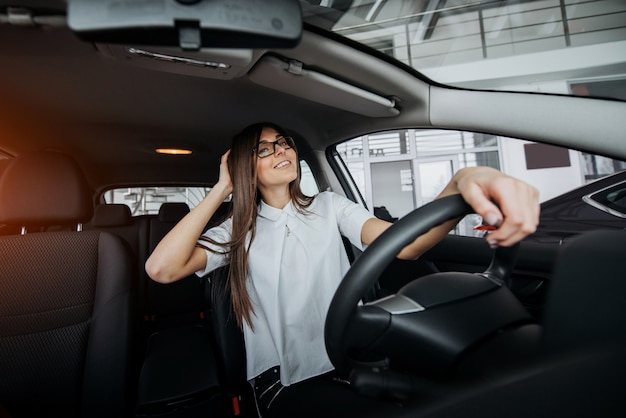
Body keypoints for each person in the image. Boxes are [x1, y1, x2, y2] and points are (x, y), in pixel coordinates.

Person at [145, 122, 540, 417]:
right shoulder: (237, 230)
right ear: (244, 168)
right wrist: (221, 190)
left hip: (350, 359)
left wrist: (464, 180)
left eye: (283, 143)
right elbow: (162, 269)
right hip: (281, 381)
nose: (281, 149)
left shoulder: (330, 206)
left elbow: (407, 246)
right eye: (264, 150)